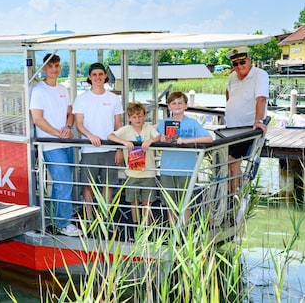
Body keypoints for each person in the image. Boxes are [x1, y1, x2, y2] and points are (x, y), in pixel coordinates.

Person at [30, 53, 81, 237]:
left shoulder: (62, 88)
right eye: (50, 66)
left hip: (65, 141)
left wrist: (67, 127)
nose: (54, 69)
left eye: (57, 65)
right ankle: (63, 223)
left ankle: (58, 218)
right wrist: (58, 133)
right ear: (44, 68)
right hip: (51, 144)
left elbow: (70, 112)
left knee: (63, 183)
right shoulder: (38, 90)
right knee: (63, 181)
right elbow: (37, 119)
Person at [73, 63, 123, 220]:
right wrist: (90, 136)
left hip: (109, 149)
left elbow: (118, 125)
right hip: (89, 150)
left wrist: (119, 148)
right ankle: (88, 217)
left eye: (101, 74)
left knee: (108, 185)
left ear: (105, 76)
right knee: (88, 185)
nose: (98, 77)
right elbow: (79, 124)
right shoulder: (81, 99)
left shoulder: (114, 98)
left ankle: (104, 216)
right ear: (89, 77)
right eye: (94, 75)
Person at [157, 91, 213, 223]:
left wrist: (186, 141)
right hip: (167, 169)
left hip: (187, 170)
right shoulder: (163, 123)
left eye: (180, 103)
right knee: (169, 203)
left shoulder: (192, 123)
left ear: (186, 105)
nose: (177, 106)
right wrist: (161, 139)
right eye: (174, 103)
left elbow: (209, 138)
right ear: (169, 106)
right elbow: (155, 139)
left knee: (185, 202)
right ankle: (173, 230)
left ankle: (184, 228)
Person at [224, 46, 269, 194]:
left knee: (232, 161)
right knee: (227, 162)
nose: (239, 66)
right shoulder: (232, 77)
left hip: (247, 128)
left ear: (249, 61)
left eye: (242, 62)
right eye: (235, 64)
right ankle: (229, 195)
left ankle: (233, 197)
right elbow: (228, 94)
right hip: (230, 128)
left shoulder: (259, 75)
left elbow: (261, 99)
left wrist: (258, 121)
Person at [108, 102, 160, 226]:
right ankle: (135, 225)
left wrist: (151, 140)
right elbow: (110, 136)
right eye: (134, 117)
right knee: (133, 201)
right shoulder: (126, 130)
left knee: (147, 202)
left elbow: (159, 137)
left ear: (145, 116)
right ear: (129, 118)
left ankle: (146, 225)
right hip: (132, 173)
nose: (138, 119)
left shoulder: (149, 128)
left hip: (148, 173)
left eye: (140, 116)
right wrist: (123, 142)